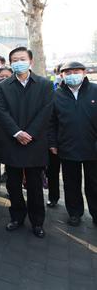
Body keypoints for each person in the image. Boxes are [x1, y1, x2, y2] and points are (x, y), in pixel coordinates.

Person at [0, 46, 53, 238]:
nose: (18, 62)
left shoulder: (44, 84)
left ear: (31, 62)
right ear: (10, 63)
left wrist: (30, 133)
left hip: (34, 143)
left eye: (22, 59)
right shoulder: (3, 86)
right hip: (12, 142)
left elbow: (46, 111)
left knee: (35, 185)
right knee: (13, 184)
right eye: (15, 60)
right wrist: (17, 132)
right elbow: (1, 111)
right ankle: (17, 217)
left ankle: (37, 222)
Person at [49, 61, 97, 226]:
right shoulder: (56, 95)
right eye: (67, 73)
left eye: (76, 71)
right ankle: (75, 213)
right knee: (71, 183)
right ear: (62, 75)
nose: (72, 75)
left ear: (84, 73)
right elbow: (52, 123)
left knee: (94, 183)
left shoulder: (95, 91)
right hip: (67, 147)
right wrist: (53, 143)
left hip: (93, 147)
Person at [47, 63, 64, 207]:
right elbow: (50, 120)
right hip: (56, 141)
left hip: (81, 141)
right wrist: (52, 142)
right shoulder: (54, 92)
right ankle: (53, 197)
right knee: (53, 172)